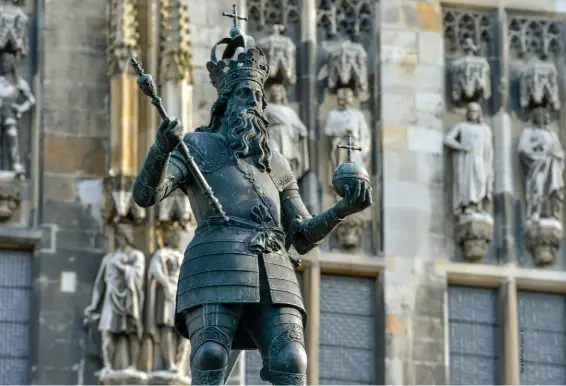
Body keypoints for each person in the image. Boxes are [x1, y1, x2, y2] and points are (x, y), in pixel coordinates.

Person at [132, 21, 372, 386]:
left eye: (258, 98)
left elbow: (303, 235)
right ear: (225, 102)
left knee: (292, 359)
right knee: (210, 353)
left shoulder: (275, 161)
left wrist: (343, 209)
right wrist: (160, 148)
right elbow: (146, 195)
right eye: (245, 95)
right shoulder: (197, 145)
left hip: (275, 268)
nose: (254, 105)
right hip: (216, 260)